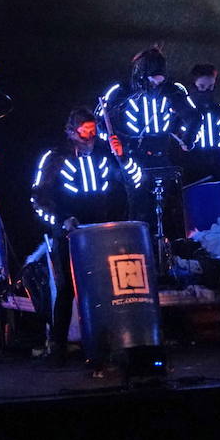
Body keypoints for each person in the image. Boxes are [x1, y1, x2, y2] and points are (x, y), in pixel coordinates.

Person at [30, 107, 144, 363]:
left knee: (106, 288)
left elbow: (135, 181)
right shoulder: (56, 158)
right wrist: (61, 221)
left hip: (101, 234)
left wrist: (123, 156)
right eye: (85, 132)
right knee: (66, 289)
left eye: (93, 131)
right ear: (72, 131)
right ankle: (58, 345)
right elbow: (39, 198)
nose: (90, 137)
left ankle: (110, 341)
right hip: (70, 234)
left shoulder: (106, 153)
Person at [97, 46, 191, 231]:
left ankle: (163, 248)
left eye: (160, 82)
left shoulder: (172, 91)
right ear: (141, 76)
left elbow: (192, 116)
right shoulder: (120, 92)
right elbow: (101, 122)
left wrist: (188, 137)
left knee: (165, 208)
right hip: (132, 158)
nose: (156, 87)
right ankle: (138, 245)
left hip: (162, 157)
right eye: (152, 82)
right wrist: (116, 141)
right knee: (139, 205)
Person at [180, 63, 220, 184]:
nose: (206, 91)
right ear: (193, 85)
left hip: (218, 168)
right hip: (191, 171)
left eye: (211, 87)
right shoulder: (182, 113)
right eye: (201, 86)